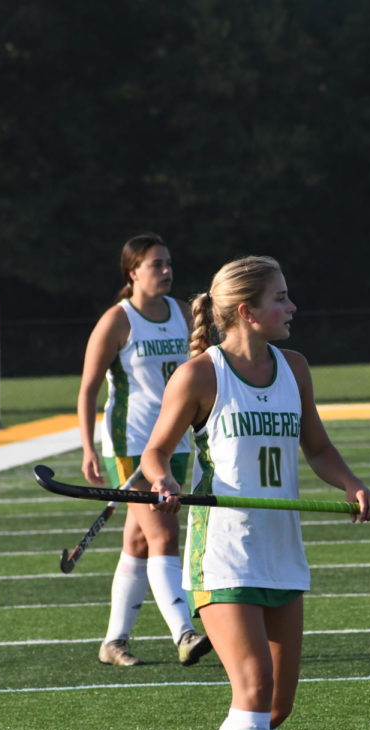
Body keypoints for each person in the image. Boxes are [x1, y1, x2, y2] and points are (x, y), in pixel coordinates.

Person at [140, 255, 370, 730]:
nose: (291, 307)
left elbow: (317, 447)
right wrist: (164, 483)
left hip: (280, 549)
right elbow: (156, 454)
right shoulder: (201, 374)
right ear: (247, 312)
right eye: (280, 298)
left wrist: (351, 484)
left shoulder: (293, 367)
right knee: (250, 688)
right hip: (222, 551)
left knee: (274, 706)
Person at [77, 233, 212, 667]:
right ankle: (184, 632)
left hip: (174, 441)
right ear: (132, 272)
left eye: (169, 262)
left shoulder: (182, 313)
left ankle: (113, 642)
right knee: (163, 533)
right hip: (130, 445)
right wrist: (87, 448)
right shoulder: (118, 320)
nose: (166, 270)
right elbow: (88, 388)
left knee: (137, 540)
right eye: (156, 264)